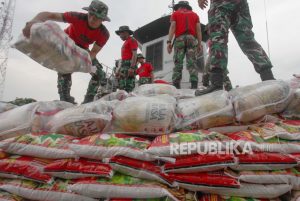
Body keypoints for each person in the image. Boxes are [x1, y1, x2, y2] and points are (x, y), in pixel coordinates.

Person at [22, 0, 110, 104]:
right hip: (66, 43)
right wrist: (33, 21)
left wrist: (83, 62)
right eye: (90, 14)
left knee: (99, 74)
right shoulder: (77, 17)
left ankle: (88, 101)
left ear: (103, 20)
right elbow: (50, 15)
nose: (92, 19)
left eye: (96, 18)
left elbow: (93, 52)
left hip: (82, 50)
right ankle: (65, 99)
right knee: (64, 69)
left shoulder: (104, 34)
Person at [196, 0, 275, 96]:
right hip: (241, 4)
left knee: (218, 39)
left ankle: (216, 84)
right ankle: (268, 77)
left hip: (221, 3)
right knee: (247, 40)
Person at [167, 1, 202, 89]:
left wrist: (169, 42)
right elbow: (198, 30)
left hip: (180, 39)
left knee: (178, 62)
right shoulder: (195, 15)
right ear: (187, 7)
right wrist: (199, 44)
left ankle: (176, 85)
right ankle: (194, 85)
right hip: (192, 39)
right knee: (192, 62)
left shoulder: (175, 14)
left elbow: (173, 27)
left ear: (179, 7)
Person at [115, 26, 138, 92]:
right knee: (122, 87)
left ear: (126, 32)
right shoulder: (126, 42)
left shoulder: (132, 40)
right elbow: (123, 58)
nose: (120, 36)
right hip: (124, 66)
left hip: (129, 65)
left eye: (120, 34)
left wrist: (132, 67)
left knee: (128, 86)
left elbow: (134, 54)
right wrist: (119, 70)